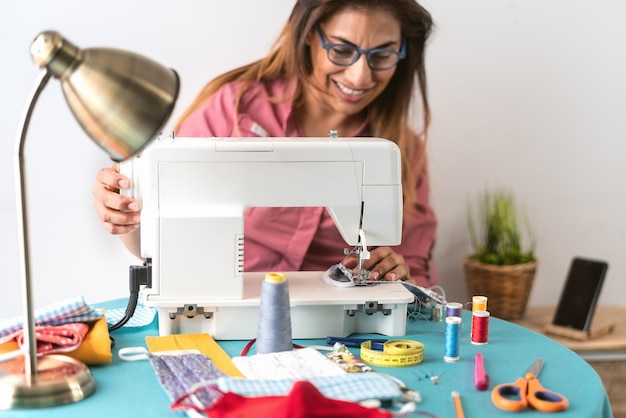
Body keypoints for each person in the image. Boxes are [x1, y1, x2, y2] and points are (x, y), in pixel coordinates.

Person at [92, 0, 437, 288]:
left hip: (339, 329)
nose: (360, 76)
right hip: (219, 304)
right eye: (342, 50)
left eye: (382, 56)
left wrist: (397, 274)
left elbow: (415, 277)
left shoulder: (402, 150)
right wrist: (128, 214)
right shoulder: (233, 108)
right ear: (307, 38)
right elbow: (160, 242)